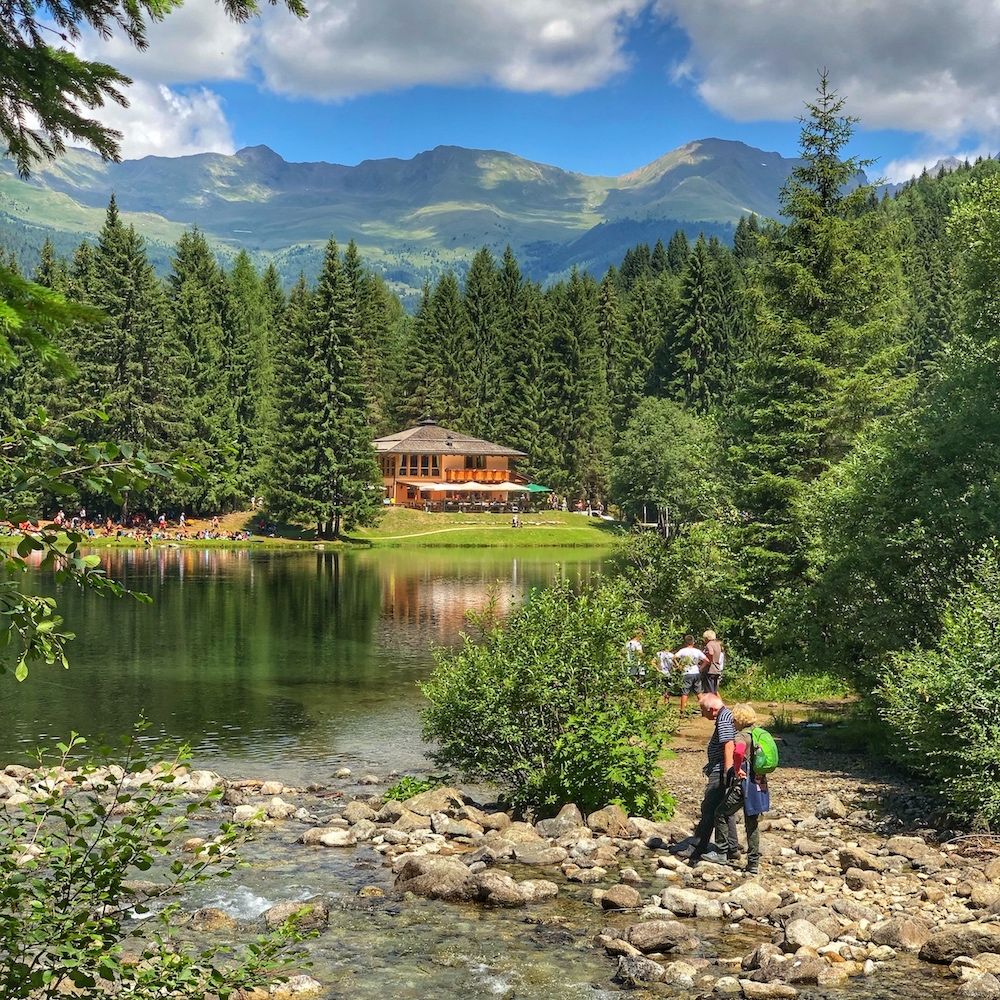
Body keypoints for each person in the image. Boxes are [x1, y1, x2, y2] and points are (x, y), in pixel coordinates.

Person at [671, 693, 740, 865]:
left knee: (709, 808)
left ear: (712, 709)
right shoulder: (727, 715)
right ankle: (732, 848)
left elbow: (728, 744)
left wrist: (727, 771)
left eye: (703, 710)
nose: (703, 715)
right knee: (725, 809)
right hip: (721, 769)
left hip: (721, 770)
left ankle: (698, 846)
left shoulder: (724, 719)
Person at [712, 703, 770, 875]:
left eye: (734, 719)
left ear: (738, 719)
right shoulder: (758, 733)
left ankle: (721, 853)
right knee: (751, 823)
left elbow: (738, 752)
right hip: (759, 783)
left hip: (744, 784)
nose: (732, 722)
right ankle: (753, 864)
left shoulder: (741, 735)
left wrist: (737, 769)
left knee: (721, 813)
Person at [674, 634, 708, 715]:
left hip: (686, 672)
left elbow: (674, 657)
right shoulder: (697, 651)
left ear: (685, 643)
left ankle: (682, 711)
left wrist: (678, 666)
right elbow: (706, 660)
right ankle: (704, 710)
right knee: (699, 692)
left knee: (685, 692)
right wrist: (700, 668)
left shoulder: (683, 651)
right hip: (696, 672)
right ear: (693, 642)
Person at [702, 630, 725, 694]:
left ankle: (711, 703)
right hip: (717, 669)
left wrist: (709, 661)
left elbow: (711, 653)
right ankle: (715, 703)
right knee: (714, 690)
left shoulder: (709, 644)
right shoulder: (717, 644)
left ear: (707, 638)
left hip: (710, 670)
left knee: (709, 690)